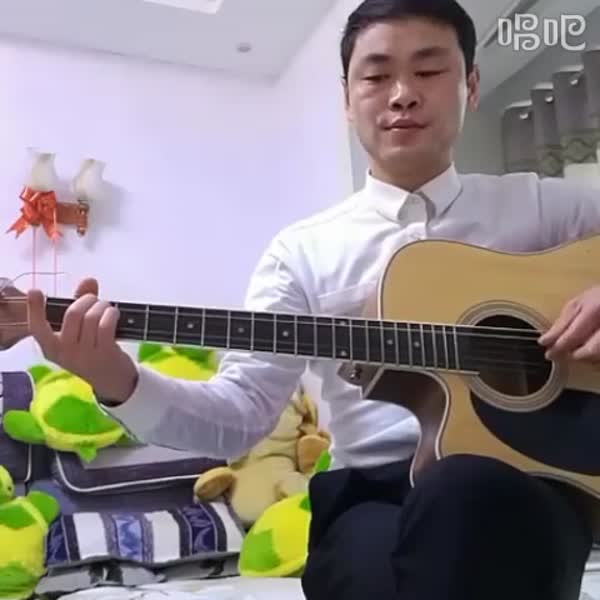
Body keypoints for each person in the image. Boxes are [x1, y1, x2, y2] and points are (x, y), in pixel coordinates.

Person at [24, 0, 600, 598]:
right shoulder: (301, 251)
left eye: (428, 71)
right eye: (376, 76)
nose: (402, 94)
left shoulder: (547, 208)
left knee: (465, 493)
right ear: (347, 99)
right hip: (372, 497)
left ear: (470, 85)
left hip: (528, 483)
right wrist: (118, 380)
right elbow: (240, 416)